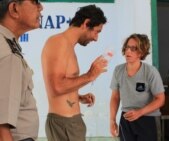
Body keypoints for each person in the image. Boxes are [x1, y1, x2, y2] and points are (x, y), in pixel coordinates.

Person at [41, 5, 107, 141]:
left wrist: (78, 97)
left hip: (70, 124)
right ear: (86, 23)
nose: (96, 38)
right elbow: (57, 86)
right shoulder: (58, 42)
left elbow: (61, 85)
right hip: (64, 124)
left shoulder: (67, 45)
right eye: (96, 32)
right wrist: (90, 75)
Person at [0, 1, 43, 141]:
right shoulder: (8, 51)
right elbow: (2, 126)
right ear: (14, 9)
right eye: (35, 2)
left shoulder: (7, 43)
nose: (41, 7)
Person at [109, 34, 165, 141]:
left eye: (133, 48)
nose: (128, 51)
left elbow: (160, 99)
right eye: (127, 47)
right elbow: (115, 97)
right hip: (126, 118)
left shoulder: (150, 72)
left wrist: (140, 112)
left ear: (142, 52)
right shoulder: (118, 70)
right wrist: (112, 120)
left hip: (148, 118)